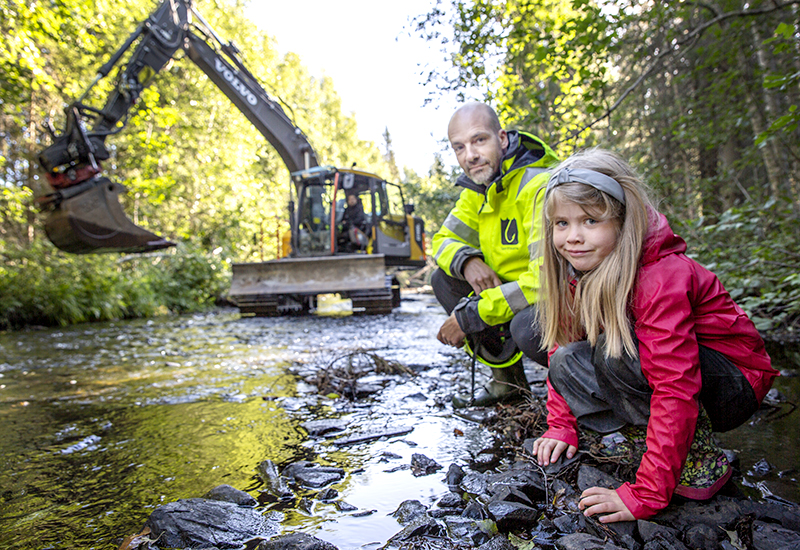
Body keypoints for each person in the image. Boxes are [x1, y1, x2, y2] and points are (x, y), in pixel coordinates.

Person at [531, 148, 778, 522]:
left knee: (615, 352)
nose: (573, 237)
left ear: (622, 220)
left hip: (733, 384)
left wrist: (646, 494)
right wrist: (561, 427)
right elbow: (562, 347)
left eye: (590, 221)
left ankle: (696, 457)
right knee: (568, 360)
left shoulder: (659, 276)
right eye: (561, 224)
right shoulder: (577, 270)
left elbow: (676, 385)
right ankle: (647, 443)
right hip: (674, 378)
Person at [431, 102, 559, 408]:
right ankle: (508, 384)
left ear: (501, 139)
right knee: (444, 279)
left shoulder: (539, 185)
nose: (470, 155)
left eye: (479, 140)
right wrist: (467, 261)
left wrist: (471, 315)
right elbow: (441, 240)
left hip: (553, 299)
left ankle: (580, 394)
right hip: (509, 296)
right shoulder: (476, 192)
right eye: (459, 147)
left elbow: (546, 280)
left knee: (526, 326)